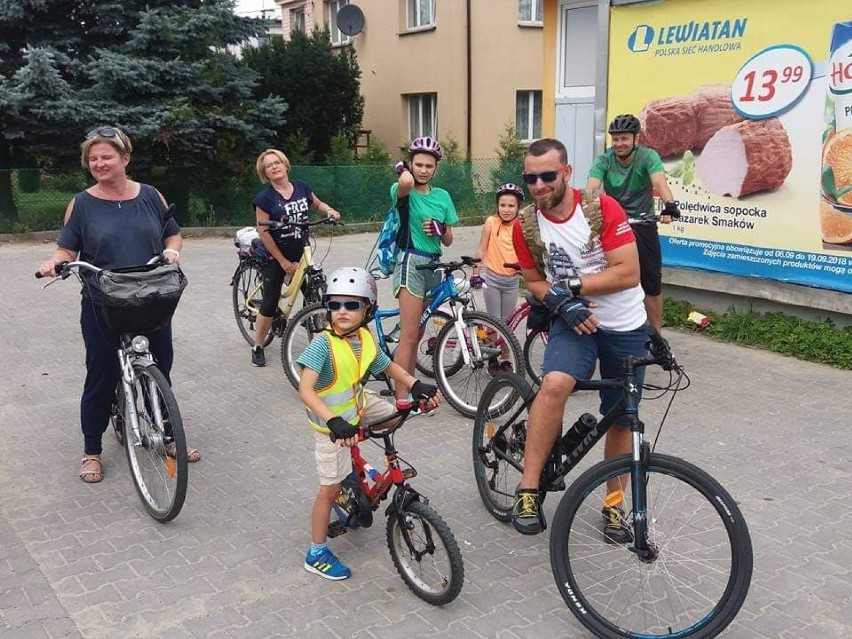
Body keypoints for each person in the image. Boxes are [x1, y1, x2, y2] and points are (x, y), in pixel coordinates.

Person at [37, 126, 201, 484]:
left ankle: (168, 435)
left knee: (160, 369)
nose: (99, 163)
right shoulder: (81, 204)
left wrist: (172, 250)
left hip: (151, 298)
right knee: (102, 374)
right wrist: (55, 261)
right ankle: (92, 450)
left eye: (106, 156)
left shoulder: (151, 196)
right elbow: (67, 248)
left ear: (125, 158)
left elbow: (171, 232)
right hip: (103, 303)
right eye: (93, 158)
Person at [509, 138, 649, 539]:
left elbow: (628, 272)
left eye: (547, 175)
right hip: (573, 322)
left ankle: (614, 506)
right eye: (530, 177)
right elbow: (534, 279)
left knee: (622, 415)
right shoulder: (526, 224)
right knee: (553, 385)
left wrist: (570, 287)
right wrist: (559, 301)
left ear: (566, 173)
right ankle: (529, 489)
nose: (538, 185)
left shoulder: (601, 208)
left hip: (624, 324)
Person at [297, 267, 442, 580]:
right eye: (335, 305)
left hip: (358, 405)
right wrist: (333, 420)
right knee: (329, 487)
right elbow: (305, 390)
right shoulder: (322, 345)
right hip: (331, 426)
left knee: (394, 415)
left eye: (352, 305)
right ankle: (316, 551)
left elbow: (387, 366)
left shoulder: (363, 338)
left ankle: (362, 469)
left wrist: (416, 385)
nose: (342, 312)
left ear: (368, 309)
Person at [586, 114, 680, 332]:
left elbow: (659, 181)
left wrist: (670, 206)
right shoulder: (604, 160)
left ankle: (656, 335)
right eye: (615, 139)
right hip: (614, 226)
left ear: (636, 139)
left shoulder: (647, 157)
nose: (619, 144)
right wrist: (588, 208)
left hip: (642, 223)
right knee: (609, 278)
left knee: (651, 282)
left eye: (624, 139)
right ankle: (612, 327)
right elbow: (591, 187)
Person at [250, 149, 341, 367]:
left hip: (302, 253)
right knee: (270, 302)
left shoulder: (302, 187)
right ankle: (258, 345)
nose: (274, 166)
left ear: (285, 164)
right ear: (265, 173)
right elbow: (263, 232)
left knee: (313, 296)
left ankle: (318, 349)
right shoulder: (264, 199)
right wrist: (281, 261)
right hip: (276, 256)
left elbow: (317, 204)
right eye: (269, 165)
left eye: (277, 162)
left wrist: (329, 211)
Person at [390, 136, 459, 405]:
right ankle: (401, 397)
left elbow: (449, 238)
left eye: (429, 166)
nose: (423, 170)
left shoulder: (443, 196)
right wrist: (403, 171)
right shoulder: (402, 188)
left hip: (434, 264)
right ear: (410, 164)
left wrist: (441, 229)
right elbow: (406, 182)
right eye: (418, 164)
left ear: (436, 168)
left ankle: (406, 380)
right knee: (409, 334)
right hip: (410, 262)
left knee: (418, 332)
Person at [471, 183, 524, 323]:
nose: (506, 210)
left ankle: (505, 346)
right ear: (497, 206)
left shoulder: (522, 225)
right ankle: (490, 344)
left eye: (511, 206)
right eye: (502, 205)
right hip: (492, 280)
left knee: (507, 325)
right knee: (493, 322)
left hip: (512, 282)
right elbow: (481, 249)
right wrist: (475, 273)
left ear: (518, 207)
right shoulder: (491, 222)